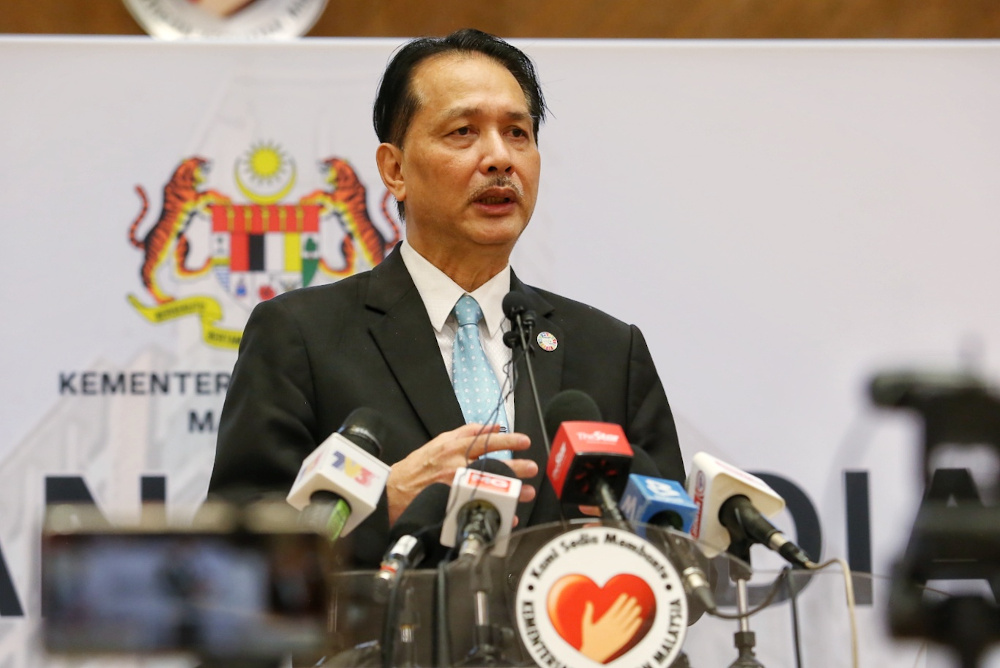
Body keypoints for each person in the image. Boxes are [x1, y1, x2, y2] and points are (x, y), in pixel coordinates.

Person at [207, 28, 685, 568]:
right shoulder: (301, 336)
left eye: (518, 133)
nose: (500, 157)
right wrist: (383, 501)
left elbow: (676, 553)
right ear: (394, 170)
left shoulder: (609, 351)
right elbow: (233, 558)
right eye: (463, 132)